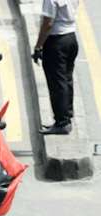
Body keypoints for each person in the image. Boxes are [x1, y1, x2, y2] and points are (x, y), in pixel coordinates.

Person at [34, 0, 79, 135]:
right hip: (71, 38)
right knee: (66, 80)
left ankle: (62, 122)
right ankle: (67, 116)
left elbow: (48, 23)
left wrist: (38, 46)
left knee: (57, 83)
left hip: (57, 41)